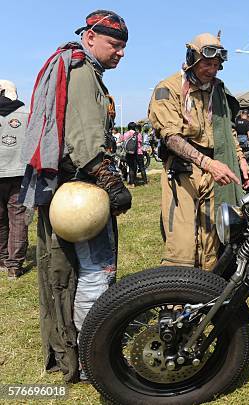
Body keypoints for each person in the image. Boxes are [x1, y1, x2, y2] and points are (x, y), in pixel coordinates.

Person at [18, 10, 131, 382]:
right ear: (90, 37)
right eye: (115, 45)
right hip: (81, 190)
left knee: (84, 272)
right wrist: (111, 181)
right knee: (95, 273)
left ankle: (87, 346)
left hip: (73, 191)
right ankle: (90, 355)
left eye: (123, 47)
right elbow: (84, 142)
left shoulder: (83, 69)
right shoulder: (82, 71)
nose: (120, 53)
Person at [148, 32, 249, 270]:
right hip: (183, 171)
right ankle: (175, 304)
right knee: (182, 245)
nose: (212, 70)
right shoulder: (168, 88)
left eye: (217, 65)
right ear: (192, 58)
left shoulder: (219, 91)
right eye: (207, 63)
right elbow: (171, 138)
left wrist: (241, 161)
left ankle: (204, 299)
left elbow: (228, 131)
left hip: (217, 170)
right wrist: (207, 164)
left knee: (212, 242)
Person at [0, 80, 29, 280]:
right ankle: (14, 266)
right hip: (19, 174)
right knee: (18, 218)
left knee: (0, 220)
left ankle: (2, 259)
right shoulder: (27, 114)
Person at [121, 122, 140, 187]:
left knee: (130, 167)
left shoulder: (126, 134)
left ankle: (132, 183)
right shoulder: (137, 134)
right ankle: (134, 181)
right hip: (135, 152)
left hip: (128, 152)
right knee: (134, 167)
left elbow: (123, 141)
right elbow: (140, 143)